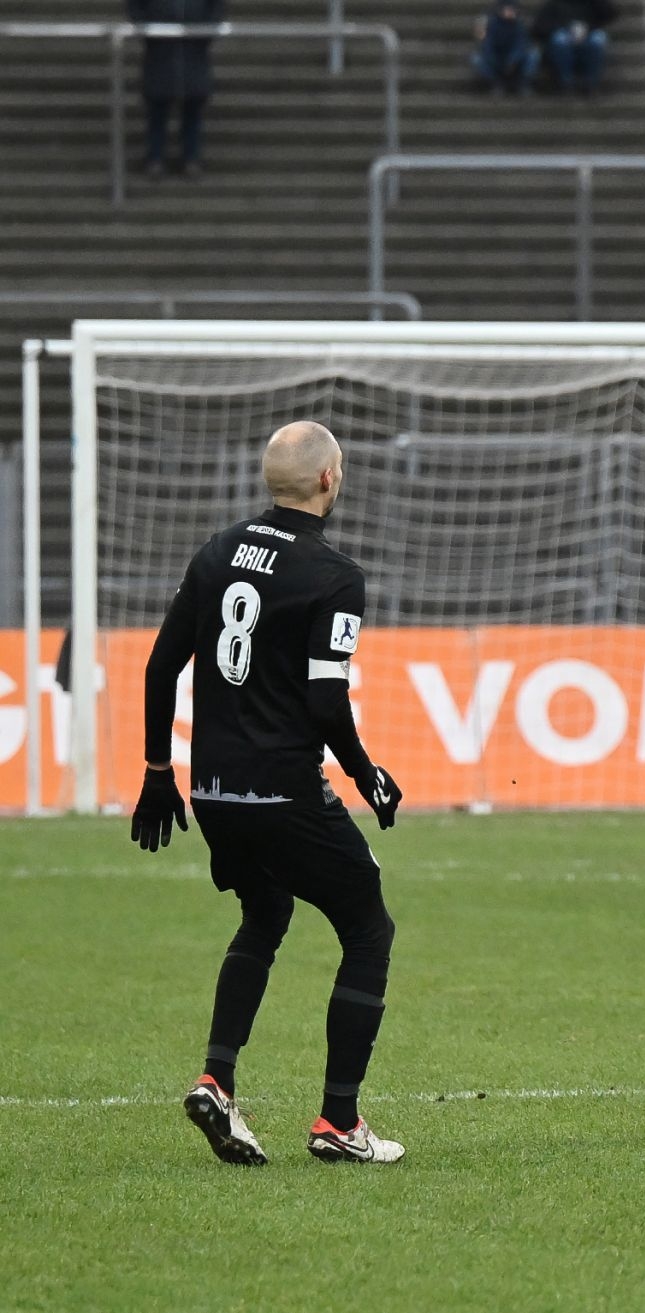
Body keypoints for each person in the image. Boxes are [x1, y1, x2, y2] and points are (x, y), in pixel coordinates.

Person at [132, 421, 407, 1166]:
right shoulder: (334, 574)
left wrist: (157, 773)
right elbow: (326, 700)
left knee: (265, 911)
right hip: (284, 790)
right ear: (328, 479)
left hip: (214, 791)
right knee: (368, 928)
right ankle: (339, 1122)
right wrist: (364, 770)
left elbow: (160, 667)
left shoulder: (216, 551)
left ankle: (217, 1081)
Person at [127, 0, 225, 180]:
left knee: (192, 111)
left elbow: (217, 7)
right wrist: (145, 28)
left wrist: (207, 29)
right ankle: (155, 157)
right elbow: (135, 7)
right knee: (157, 111)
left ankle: (191, 158)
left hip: (194, 51)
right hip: (160, 50)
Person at [533, 0, 617, 96]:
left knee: (598, 38)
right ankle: (565, 82)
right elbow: (540, 27)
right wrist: (567, 29)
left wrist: (586, 29)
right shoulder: (555, 4)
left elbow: (610, 14)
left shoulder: (592, 3)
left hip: (588, 33)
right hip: (564, 37)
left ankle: (590, 82)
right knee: (559, 38)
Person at [472, 2, 540, 96]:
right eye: (508, 9)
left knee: (533, 55)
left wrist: (512, 61)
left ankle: (522, 84)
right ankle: (496, 84)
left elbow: (521, 45)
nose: (510, 12)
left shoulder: (519, 26)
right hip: (497, 59)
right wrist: (495, 61)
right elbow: (487, 45)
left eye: (512, 9)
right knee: (477, 59)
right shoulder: (491, 25)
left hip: (516, 62)